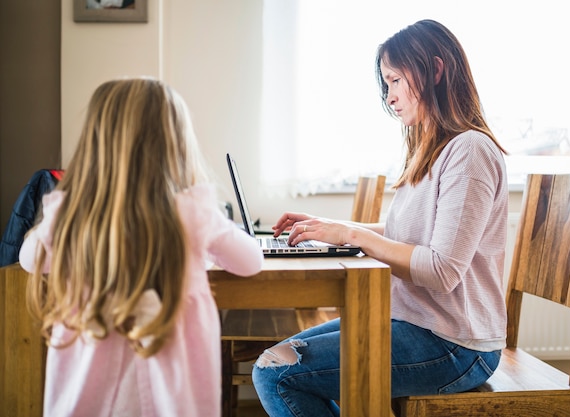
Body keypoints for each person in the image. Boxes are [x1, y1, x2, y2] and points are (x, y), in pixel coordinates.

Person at [252, 19, 508, 416]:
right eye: (386, 84)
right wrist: (328, 229)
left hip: (456, 344)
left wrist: (351, 233)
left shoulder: (469, 151)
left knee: (275, 374)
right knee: (275, 361)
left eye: (394, 80)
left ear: (435, 70)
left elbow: (442, 271)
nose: (389, 96)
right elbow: (405, 234)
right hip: (418, 322)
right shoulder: (430, 150)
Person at [19, 77, 264, 417]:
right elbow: (251, 261)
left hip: (87, 396)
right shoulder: (192, 213)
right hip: (170, 394)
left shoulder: (72, 217)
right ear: (176, 144)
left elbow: (30, 260)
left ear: (96, 145)